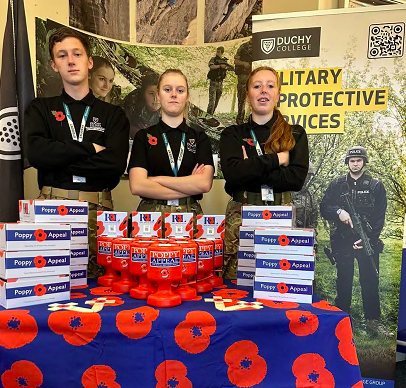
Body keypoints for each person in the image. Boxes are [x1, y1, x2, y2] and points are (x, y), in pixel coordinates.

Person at [25, 27, 130, 277]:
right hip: (51, 209)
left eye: (77, 54)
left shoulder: (113, 115)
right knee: (49, 286)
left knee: (103, 294)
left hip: (100, 212)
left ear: (89, 61)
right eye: (62, 56)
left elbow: (113, 166)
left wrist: (58, 158)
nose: (70, 61)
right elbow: (37, 155)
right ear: (53, 65)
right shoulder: (40, 109)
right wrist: (89, 149)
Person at [220, 66, 309, 279]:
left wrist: (250, 167)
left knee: (278, 285)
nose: (263, 91)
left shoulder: (295, 133)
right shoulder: (232, 134)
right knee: (235, 288)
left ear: (278, 94)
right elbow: (233, 175)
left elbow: (295, 180)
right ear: (248, 94)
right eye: (257, 86)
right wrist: (277, 160)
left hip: (281, 215)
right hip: (241, 217)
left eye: (270, 86)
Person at [320, 146, 391, 336]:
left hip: (367, 240)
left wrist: (369, 238)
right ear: (347, 163)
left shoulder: (376, 185)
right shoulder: (337, 184)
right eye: (352, 161)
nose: (355, 163)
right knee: (343, 280)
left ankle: (373, 321)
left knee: (370, 281)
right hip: (342, 241)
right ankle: (342, 318)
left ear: (364, 162)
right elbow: (324, 207)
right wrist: (339, 212)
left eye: (359, 160)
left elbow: (379, 216)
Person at [128, 69, 214, 219]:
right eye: (167, 89)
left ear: (187, 97)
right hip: (150, 216)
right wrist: (189, 185)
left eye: (180, 90)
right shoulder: (143, 137)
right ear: (158, 95)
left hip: (190, 215)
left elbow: (204, 184)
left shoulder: (200, 138)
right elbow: (137, 186)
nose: (174, 94)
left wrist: (155, 180)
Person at [123, 73, 161, 139]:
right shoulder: (132, 102)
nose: (156, 98)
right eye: (151, 93)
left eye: (159, 93)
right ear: (143, 94)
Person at [207, 47, 233, 116]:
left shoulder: (224, 61)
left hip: (220, 83)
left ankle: (211, 116)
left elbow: (229, 68)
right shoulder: (213, 59)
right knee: (211, 102)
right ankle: (208, 116)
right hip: (213, 82)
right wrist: (220, 66)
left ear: (222, 52)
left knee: (216, 102)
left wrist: (226, 67)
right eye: (217, 51)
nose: (217, 53)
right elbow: (211, 66)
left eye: (219, 52)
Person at [234, 39, 252, 124]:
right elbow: (236, 61)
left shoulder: (260, 46)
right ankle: (240, 120)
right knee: (241, 99)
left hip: (255, 78)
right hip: (243, 77)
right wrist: (244, 63)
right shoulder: (243, 47)